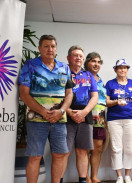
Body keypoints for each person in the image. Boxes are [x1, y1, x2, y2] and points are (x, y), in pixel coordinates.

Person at [19, 35, 74, 183]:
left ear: (56, 49)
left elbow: (69, 94)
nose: (50, 49)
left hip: (59, 119)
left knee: (59, 155)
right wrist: (43, 112)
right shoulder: (30, 65)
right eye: (46, 46)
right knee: (35, 156)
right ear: (39, 49)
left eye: (53, 46)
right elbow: (24, 94)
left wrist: (61, 111)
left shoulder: (64, 67)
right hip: (36, 120)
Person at [62, 46, 98, 183]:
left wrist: (84, 112)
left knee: (82, 151)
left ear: (83, 59)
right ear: (68, 58)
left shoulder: (88, 75)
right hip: (66, 114)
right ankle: (58, 179)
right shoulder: (62, 73)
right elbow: (58, 96)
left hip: (85, 115)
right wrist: (70, 112)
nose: (78, 58)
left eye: (80, 56)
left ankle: (83, 180)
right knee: (63, 152)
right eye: (75, 55)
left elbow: (94, 97)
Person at [105, 59, 132, 183]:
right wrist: (116, 102)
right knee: (116, 148)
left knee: (129, 148)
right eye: (120, 68)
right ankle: (119, 176)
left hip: (130, 118)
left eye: (125, 68)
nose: (122, 70)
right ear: (115, 70)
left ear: (127, 70)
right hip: (114, 119)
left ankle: (128, 176)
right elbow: (106, 102)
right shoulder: (110, 84)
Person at [84, 52, 107, 183]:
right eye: (93, 61)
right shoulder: (83, 77)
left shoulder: (100, 79)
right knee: (85, 148)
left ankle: (94, 177)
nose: (96, 64)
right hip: (86, 117)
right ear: (87, 63)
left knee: (98, 147)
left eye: (98, 62)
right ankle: (86, 177)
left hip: (100, 118)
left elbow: (103, 100)